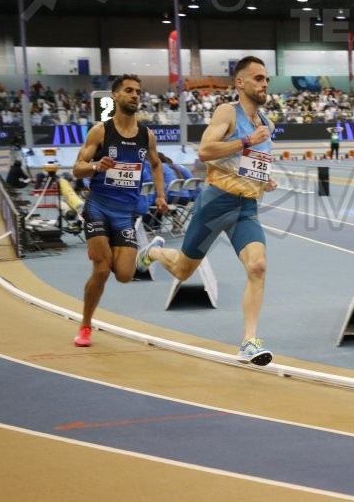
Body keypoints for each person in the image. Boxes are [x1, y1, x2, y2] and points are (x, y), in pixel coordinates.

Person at [136, 56, 277, 366]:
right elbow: (205, 151)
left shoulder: (268, 124)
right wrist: (246, 140)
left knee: (258, 267)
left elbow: (252, 164)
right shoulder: (227, 112)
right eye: (257, 78)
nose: (264, 83)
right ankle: (156, 252)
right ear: (240, 83)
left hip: (246, 208)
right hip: (215, 203)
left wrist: (264, 177)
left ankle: (249, 343)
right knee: (183, 271)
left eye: (266, 78)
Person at [70, 74, 168, 347]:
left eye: (138, 91)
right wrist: (94, 167)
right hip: (99, 206)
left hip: (125, 213)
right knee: (101, 270)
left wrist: (161, 195)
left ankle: (144, 255)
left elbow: (157, 165)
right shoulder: (100, 131)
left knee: (124, 275)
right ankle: (86, 326)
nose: (135, 95)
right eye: (129, 90)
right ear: (115, 96)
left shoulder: (146, 135)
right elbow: (76, 168)